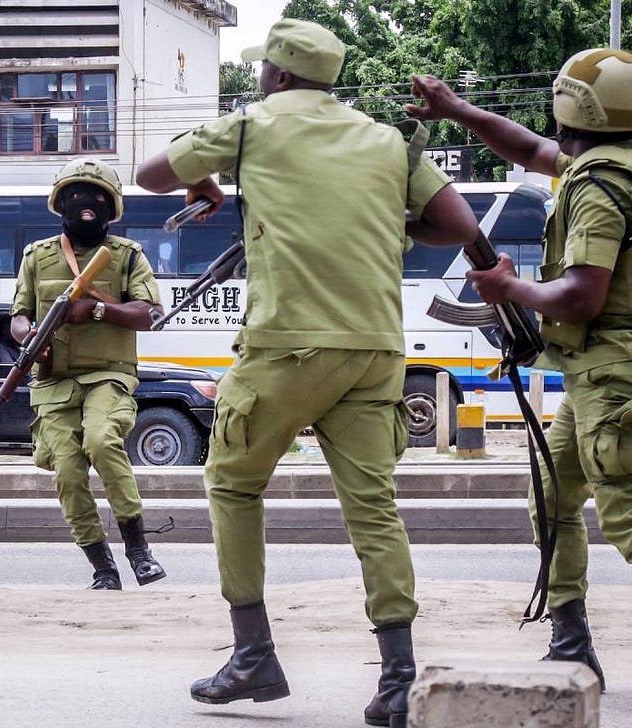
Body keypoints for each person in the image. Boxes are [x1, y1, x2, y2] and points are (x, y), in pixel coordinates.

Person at [135, 18, 479, 726]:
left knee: (232, 482)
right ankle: (397, 678)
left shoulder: (251, 125)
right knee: (374, 509)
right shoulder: (386, 141)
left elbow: (150, 175)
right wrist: (388, 223)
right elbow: (459, 224)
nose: (259, 78)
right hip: (376, 350)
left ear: (279, 76)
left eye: (263, 69)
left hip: (287, 345)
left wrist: (205, 182)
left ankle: (254, 653)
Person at [408, 49, 632, 718]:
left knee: (628, 507)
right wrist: (457, 110)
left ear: (573, 106)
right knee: (551, 497)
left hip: (615, 366)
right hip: (603, 367)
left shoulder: (600, 187)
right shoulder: (619, 165)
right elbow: (527, 149)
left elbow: (582, 296)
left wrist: (507, 285)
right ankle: (572, 641)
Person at [11, 157, 169, 592]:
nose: (87, 204)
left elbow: (152, 315)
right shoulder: (37, 257)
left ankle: (138, 551)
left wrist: (98, 309)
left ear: (111, 207)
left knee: (101, 440)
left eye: (97, 198)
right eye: (77, 196)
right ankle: (102, 566)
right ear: (60, 204)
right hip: (52, 382)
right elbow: (19, 316)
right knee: (66, 470)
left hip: (108, 375)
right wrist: (30, 337)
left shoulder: (126, 257)